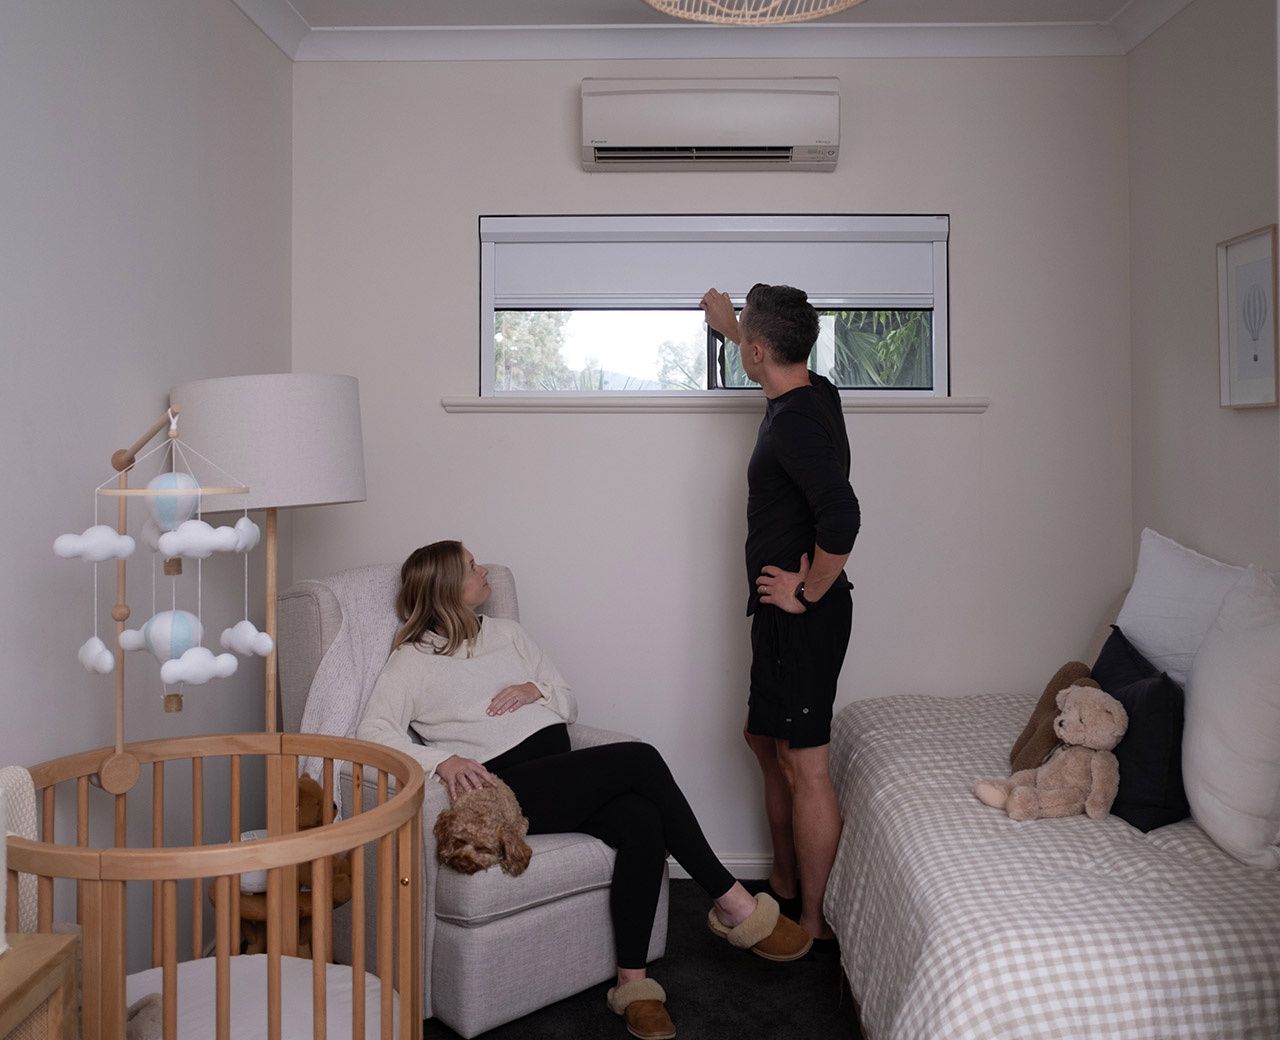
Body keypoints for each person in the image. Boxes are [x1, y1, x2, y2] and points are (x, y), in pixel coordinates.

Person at [358, 540, 812, 1040]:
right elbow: (372, 733)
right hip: (511, 786)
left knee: (642, 820)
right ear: (446, 586)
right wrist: (442, 759)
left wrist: (539, 691)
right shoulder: (412, 661)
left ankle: (633, 987)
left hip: (560, 772)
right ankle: (732, 901)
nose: (483, 569)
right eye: (471, 566)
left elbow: (568, 700)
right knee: (640, 757)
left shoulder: (508, 634)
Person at [699, 284, 861, 957]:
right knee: (763, 741)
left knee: (806, 764)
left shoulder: (795, 420)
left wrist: (808, 592)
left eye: (747, 343)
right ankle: (785, 883)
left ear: (760, 352)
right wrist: (731, 325)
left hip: (804, 620)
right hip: (776, 618)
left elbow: (842, 516)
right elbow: (766, 350)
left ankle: (815, 922)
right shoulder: (812, 389)